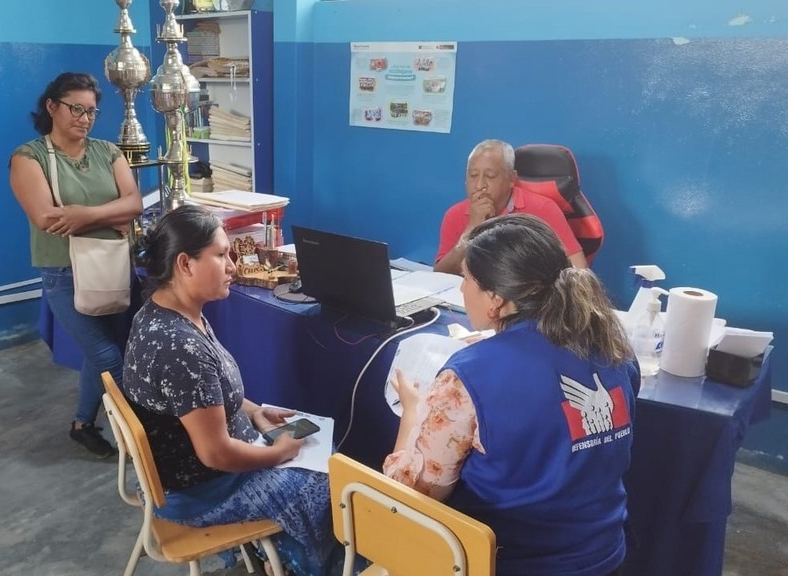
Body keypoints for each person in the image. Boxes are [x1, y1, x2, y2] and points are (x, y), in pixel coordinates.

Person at [387, 213, 637, 576]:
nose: (462, 289)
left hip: (509, 563)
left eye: (466, 279)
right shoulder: (613, 348)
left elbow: (415, 495)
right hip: (604, 556)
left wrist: (412, 414)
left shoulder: (469, 375)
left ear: (496, 298)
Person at [123, 205, 338, 575]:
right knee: (328, 476)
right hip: (201, 493)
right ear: (185, 264)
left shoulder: (162, 312)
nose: (232, 266)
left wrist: (254, 412)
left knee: (313, 453)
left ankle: (281, 556)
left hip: (192, 477)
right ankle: (307, 564)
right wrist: (277, 454)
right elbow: (216, 453)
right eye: (221, 255)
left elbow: (207, 397)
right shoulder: (181, 349)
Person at [9, 72, 142, 456]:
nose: (85, 119)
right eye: (76, 109)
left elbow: (134, 203)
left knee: (105, 350)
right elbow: (46, 219)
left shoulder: (108, 151)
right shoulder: (28, 157)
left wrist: (83, 215)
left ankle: (82, 423)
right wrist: (111, 216)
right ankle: (144, 436)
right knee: (107, 356)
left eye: (92, 112)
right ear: (52, 106)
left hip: (113, 266)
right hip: (64, 271)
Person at [433, 139, 588, 275]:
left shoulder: (543, 209)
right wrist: (470, 231)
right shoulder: (454, 214)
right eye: (473, 175)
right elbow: (440, 275)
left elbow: (579, 271)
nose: (479, 185)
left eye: (490, 176)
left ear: (511, 179)